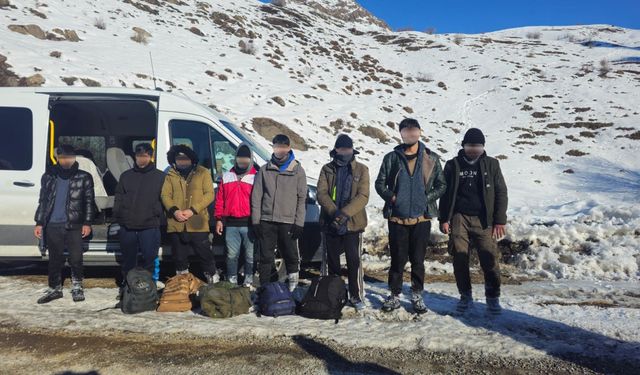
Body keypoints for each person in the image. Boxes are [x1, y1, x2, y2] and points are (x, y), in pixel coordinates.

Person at [375, 118, 446, 314]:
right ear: (401, 134)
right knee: (397, 260)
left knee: (418, 260)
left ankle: (416, 295)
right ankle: (394, 295)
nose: (410, 135)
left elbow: (442, 185)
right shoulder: (391, 158)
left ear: (420, 132)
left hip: (421, 218)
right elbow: (380, 184)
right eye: (406, 132)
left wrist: (426, 198)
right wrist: (392, 197)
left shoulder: (431, 158)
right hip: (397, 218)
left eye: (413, 131)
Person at [438, 128, 508, 314]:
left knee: (489, 258)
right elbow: (444, 194)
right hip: (459, 218)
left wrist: (500, 220)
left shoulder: (492, 164)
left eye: (477, 146)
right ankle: (465, 296)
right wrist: (444, 218)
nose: (473, 149)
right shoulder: (453, 165)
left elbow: (501, 191)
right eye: (470, 146)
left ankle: (493, 298)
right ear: (464, 145)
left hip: (484, 219)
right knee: (460, 258)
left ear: (483, 147)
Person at [34, 145, 95, 304]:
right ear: (58, 158)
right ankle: (55, 288)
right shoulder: (49, 176)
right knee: (55, 258)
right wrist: (39, 222)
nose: (66, 160)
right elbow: (43, 201)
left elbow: (89, 202)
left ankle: (77, 286)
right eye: (62, 157)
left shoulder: (84, 177)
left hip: (74, 223)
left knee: (76, 257)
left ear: (75, 158)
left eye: (69, 157)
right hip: (53, 223)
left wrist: (87, 222)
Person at [317, 134, 369, 311]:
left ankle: (355, 295)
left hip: (353, 222)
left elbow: (363, 196)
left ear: (352, 150)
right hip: (331, 222)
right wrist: (334, 213)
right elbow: (321, 193)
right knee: (332, 262)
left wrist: (345, 214)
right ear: (336, 150)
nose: (344, 152)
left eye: (347, 149)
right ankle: (334, 293)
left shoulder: (362, 170)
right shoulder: (327, 169)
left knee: (354, 261)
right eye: (341, 149)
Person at [251, 134, 307, 291]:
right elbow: (256, 197)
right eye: (276, 147)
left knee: (291, 256)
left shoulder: (297, 171)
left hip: (288, 222)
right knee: (265, 257)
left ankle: (293, 289)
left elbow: (302, 199)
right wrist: (256, 221)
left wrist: (299, 223)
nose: (280, 150)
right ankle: (264, 290)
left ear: (289, 148)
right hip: (267, 220)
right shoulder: (264, 170)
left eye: (283, 147)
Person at [161, 145, 219, 284]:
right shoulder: (170, 174)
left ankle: (212, 279)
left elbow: (209, 194)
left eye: (185, 158)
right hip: (177, 222)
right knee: (179, 257)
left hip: (197, 222)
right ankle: (182, 283)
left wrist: (192, 210)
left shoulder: (202, 172)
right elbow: (165, 195)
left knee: (205, 254)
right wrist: (174, 210)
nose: (182, 161)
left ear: (191, 158)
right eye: (179, 158)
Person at [114, 143, 166, 292]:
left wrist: (158, 214)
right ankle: (128, 286)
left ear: (150, 157)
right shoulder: (126, 176)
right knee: (129, 260)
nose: (141, 159)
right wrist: (118, 215)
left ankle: (150, 286)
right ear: (135, 157)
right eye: (139, 156)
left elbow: (165, 199)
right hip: (128, 226)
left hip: (150, 225)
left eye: (145, 156)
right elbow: (119, 197)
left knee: (150, 259)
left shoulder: (160, 176)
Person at [214, 144, 257, 288]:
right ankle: (232, 281)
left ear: (250, 159)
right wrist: (219, 219)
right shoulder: (227, 176)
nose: (242, 162)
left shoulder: (255, 177)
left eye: (245, 159)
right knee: (232, 255)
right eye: (240, 158)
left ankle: (248, 281)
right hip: (231, 224)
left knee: (250, 255)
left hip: (249, 223)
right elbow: (220, 199)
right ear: (235, 159)